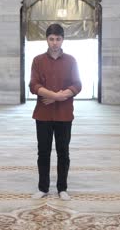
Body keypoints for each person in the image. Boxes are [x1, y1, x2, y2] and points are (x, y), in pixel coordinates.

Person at [29, 23, 82, 201]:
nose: (54, 43)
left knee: (63, 152)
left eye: (58, 39)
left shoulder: (71, 60)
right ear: (46, 39)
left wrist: (58, 98)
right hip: (43, 115)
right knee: (43, 152)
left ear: (62, 40)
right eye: (51, 39)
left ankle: (62, 188)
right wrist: (54, 95)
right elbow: (34, 85)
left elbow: (77, 84)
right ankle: (43, 188)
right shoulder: (38, 60)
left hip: (64, 114)